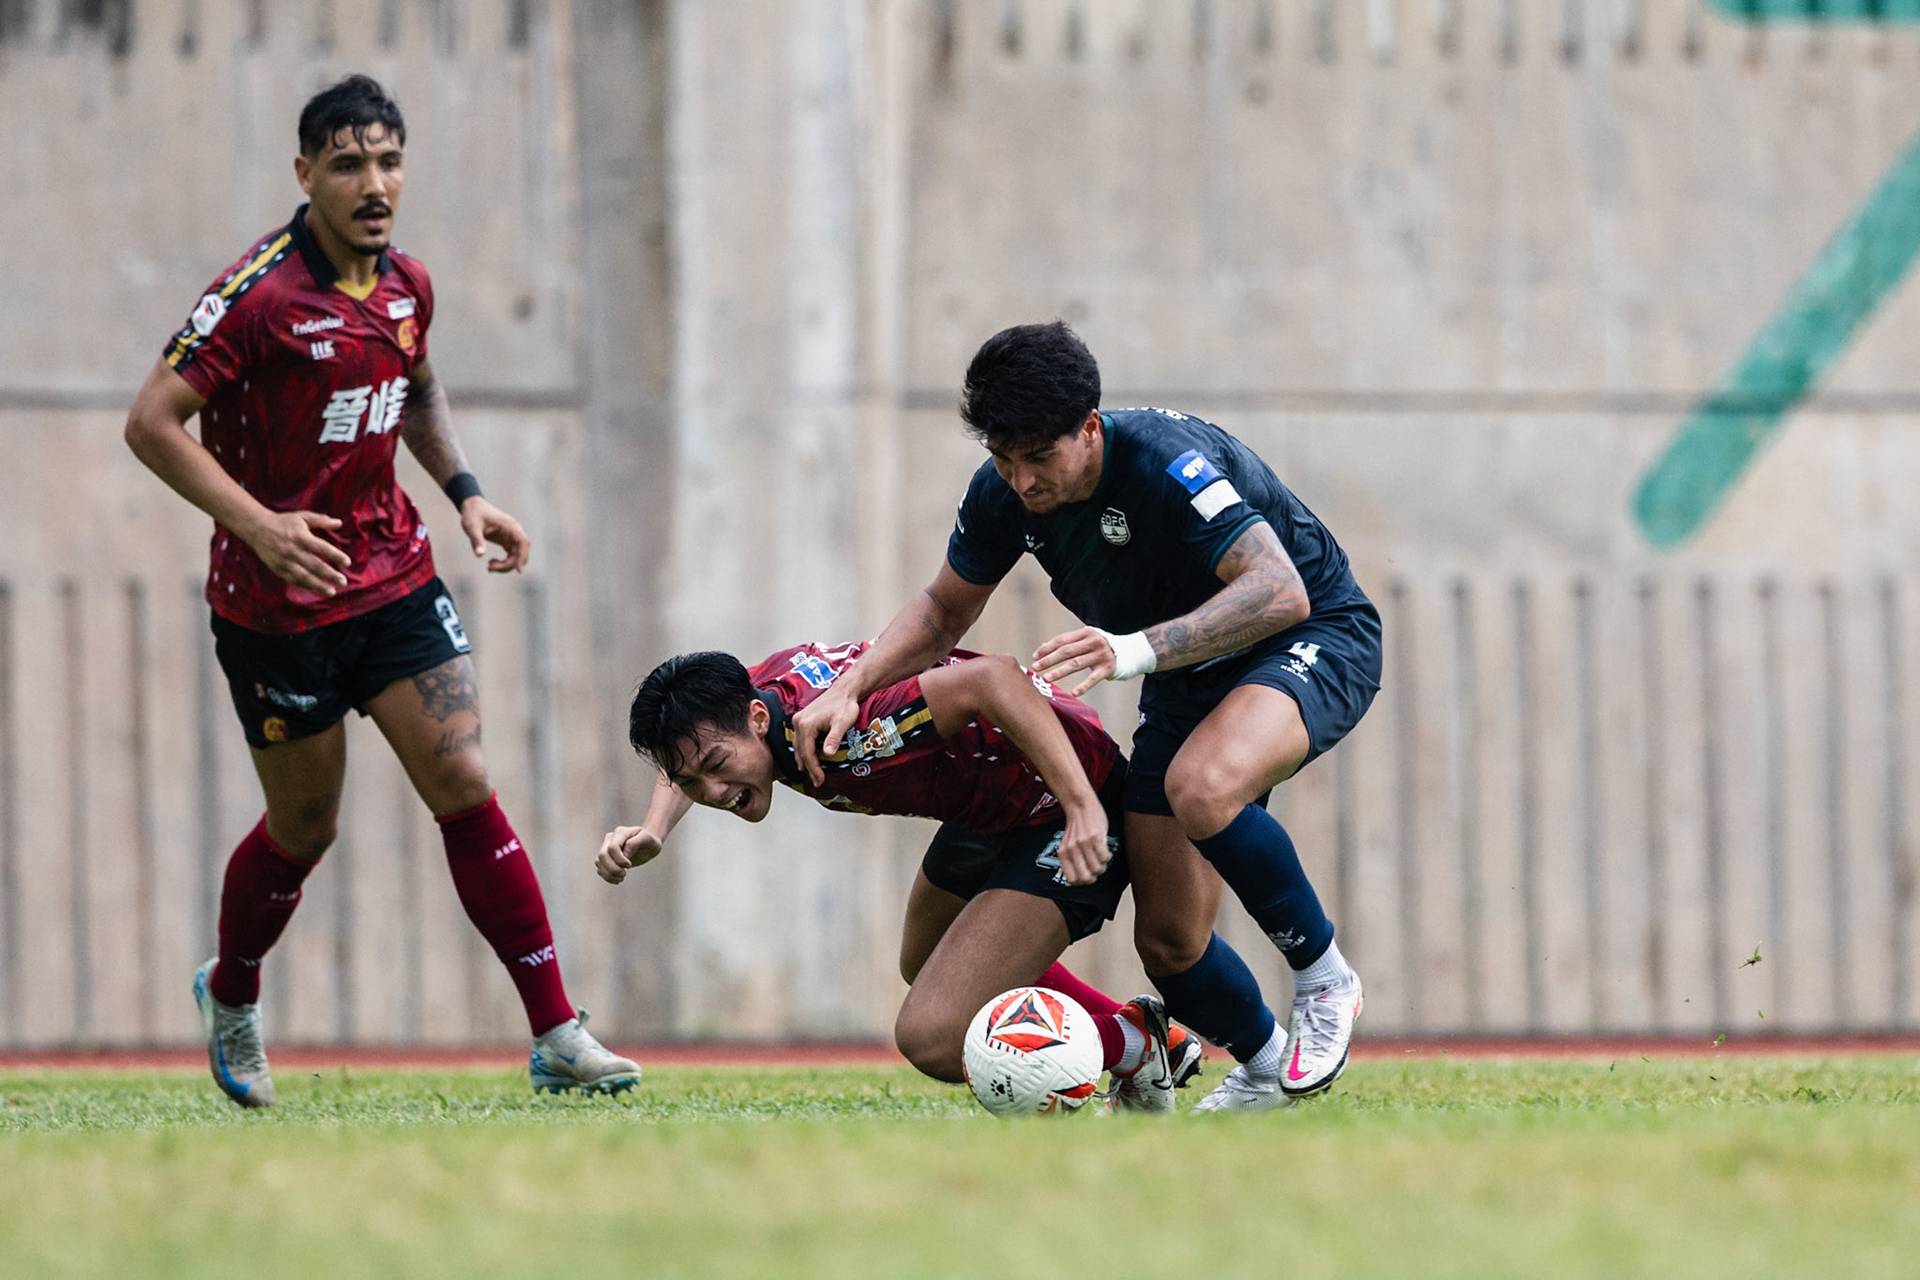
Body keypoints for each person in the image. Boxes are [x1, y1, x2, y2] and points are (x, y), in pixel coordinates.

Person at [123, 75, 638, 1106]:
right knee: (306, 827)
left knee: (464, 782)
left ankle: (557, 1032)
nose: (375, 182)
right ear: (305, 172)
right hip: (275, 612)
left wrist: (466, 493)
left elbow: (415, 383)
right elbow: (149, 422)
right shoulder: (258, 298)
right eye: (350, 163)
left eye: (389, 160)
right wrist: (261, 527)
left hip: (393, 578)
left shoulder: (407, 284)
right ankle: (231, 992)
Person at [790, 322, 1381, 1112]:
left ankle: (1324, 980)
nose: (1022, 480)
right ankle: (1270, 1067)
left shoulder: (1169, 462)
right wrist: (848, 688)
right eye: (1005, 459)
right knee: (1170, 944)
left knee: (1201, 786)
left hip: (1310, 636)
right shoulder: (1001, 492)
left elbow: (1280, 591)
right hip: (1182, 674)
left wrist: (1131, 650)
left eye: (1040, 458)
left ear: (1090, 429)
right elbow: (941, 612)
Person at [599, 643, 1205, 1111]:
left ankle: (1134, 1049)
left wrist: (1080, 806)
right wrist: (655, 829)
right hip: (990, 802)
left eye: (717, 768)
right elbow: (685, 749)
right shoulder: (748, 698)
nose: (714, 792)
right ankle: (1138, 1033)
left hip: (1059, 796)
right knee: (929, 959)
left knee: (936, 1038)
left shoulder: (842, 732)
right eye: (690, 783)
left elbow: (993, 677)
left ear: (758, 718)